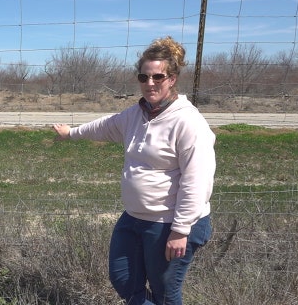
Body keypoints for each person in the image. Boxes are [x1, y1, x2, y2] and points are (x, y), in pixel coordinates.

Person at [52, 36, 215, 305]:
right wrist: (71, 133)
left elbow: (197, 180)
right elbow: (106, 126)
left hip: (170, 223)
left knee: (165, 292)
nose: (150, 83)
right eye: (144, 77)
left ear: (172, 79)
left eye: (158, 77)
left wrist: (181, 230)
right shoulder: (136, 114)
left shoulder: (188, 122)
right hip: (134, 217)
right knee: (123, 278)